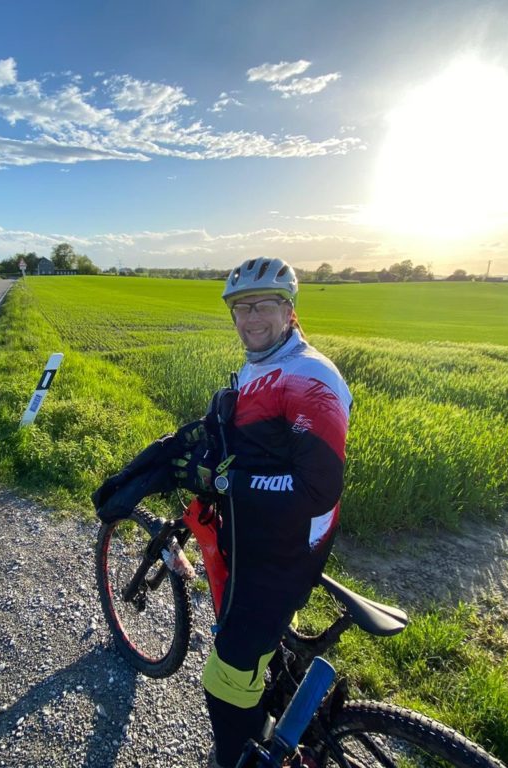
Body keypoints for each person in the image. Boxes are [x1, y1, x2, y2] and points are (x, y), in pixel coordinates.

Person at [96, 257, 352, 767]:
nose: (250, 318)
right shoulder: (268, 362)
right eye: (240, 307)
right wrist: (179, 447)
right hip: (259, 533)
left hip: (282, 553)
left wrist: (223, 480)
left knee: (222, 681)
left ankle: (238, 758)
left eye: (263, 305)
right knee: (262, 654)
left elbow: (316, 489)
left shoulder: (312, 377)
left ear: (289, 309)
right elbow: (254, 435)